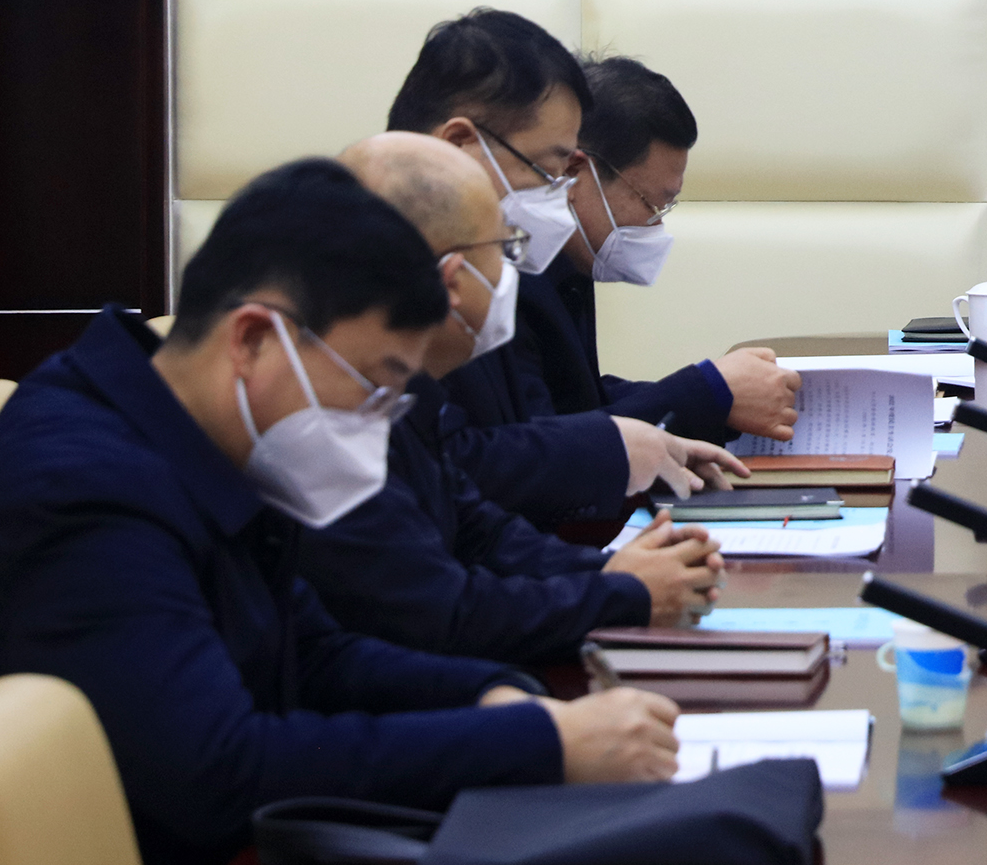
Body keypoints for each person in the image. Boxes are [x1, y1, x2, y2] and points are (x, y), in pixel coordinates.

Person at [0, 158, 683, 865]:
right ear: (253, 340)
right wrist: (532, 741)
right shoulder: (90, 485)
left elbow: (313, 651)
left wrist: (492, 698)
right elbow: (218, 773)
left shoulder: (196, 428)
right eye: (374, 382)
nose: (377, 423)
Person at [297, 134, 734, 664]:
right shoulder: (323, 412)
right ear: (451, 279)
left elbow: (481, 533)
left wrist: (618, 572)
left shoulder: (404, 388)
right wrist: (623, 592)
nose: (516, 275)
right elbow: (439, 611)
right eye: (507, 251)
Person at [384, 10, 770, 521]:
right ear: (459, 146)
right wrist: (678, 410)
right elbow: (473, 467)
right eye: (550, 169)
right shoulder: (378, 276)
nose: (561, 192)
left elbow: (478, 501)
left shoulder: (488, 260)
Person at [522, 56, 798, 441]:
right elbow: (536, 446)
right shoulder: (505, 275)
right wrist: (708, 392)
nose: (656, 225)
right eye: (652, 203)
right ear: (574, 173)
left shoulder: (569, 266)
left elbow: (579, 401)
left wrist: (722, 395)